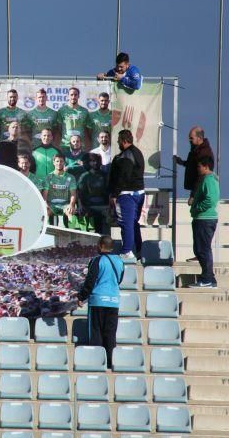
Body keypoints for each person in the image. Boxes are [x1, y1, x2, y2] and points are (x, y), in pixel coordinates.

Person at [77, 235, 124, 368]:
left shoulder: (96, 261)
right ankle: (110, 362)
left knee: (96, 331)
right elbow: (119, 279)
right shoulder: (119, 261)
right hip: (113, 301)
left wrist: (81, 297)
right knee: (110, 333)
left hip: (98, 301)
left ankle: (98, 362)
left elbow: (90, 281)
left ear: (102, 246)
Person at [108, 129, 146, 262]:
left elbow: (123, 176)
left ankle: (127, 251)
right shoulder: (137, 152)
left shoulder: (126, 155)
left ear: (124, 141)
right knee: (133, 223)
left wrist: (114, 193)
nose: (118, 143)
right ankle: (139, 250)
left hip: (127, 195)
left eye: (119, 141)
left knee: (127, 223)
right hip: (138, 193)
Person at [189, 156, 219, 288]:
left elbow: (210, 200)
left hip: (205, 219)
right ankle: (209, 278)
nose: (197, 169)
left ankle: (207, 278)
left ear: (206, 166)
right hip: (201, 219)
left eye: (199, 166)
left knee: (203, 249)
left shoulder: (209, 180)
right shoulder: (207, 180)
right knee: (200, 248)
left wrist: (197, 208)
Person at [175, 126, 215, 202]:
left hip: (200, 192)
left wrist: (193, 195)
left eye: (191, 138)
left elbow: (202, 175)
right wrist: (181, 162)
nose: (189, 140)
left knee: (198, 211)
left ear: (199, 138)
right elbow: (193, 164)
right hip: (197, 190)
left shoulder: (204, 153)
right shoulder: (196, 150)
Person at [78, 154, 110, 234]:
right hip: (89, 205)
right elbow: (80, 193)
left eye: (96, 161)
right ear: (88, 163)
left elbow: (109, 191)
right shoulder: (84, 177)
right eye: (92, 161)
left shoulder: (105, 176)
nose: (95, 163)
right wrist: (80, 205)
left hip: (104, 205)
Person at [43, 154, 77, 227]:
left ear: (64, 162)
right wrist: (45, 204)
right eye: (57, 161)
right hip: (51, 205)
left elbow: (73, 194)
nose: (59, 163)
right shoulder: (48, 177)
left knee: (70, 212)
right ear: (53, 162)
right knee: (46, 212)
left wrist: (71, 205)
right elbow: (44, 195)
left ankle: (71, 232)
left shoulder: (70, 177)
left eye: (61, 161)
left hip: (65, 204)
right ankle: (48, 232)